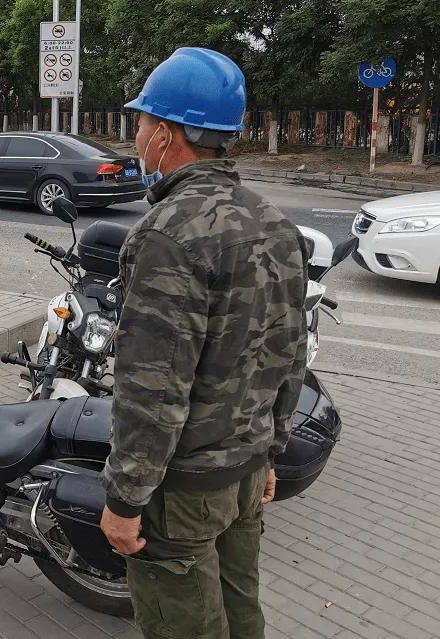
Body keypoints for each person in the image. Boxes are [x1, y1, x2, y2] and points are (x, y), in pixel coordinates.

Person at [99, 47, 309, 639]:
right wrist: (271, 451)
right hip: (246, 473)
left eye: (141, 122)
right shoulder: (273, 221)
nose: (137, 136)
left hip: (184, 491)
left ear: (166, 134)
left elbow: (153, 391)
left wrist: (125, 498)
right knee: (241, 616)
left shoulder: (168, 235)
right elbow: (289, 353)